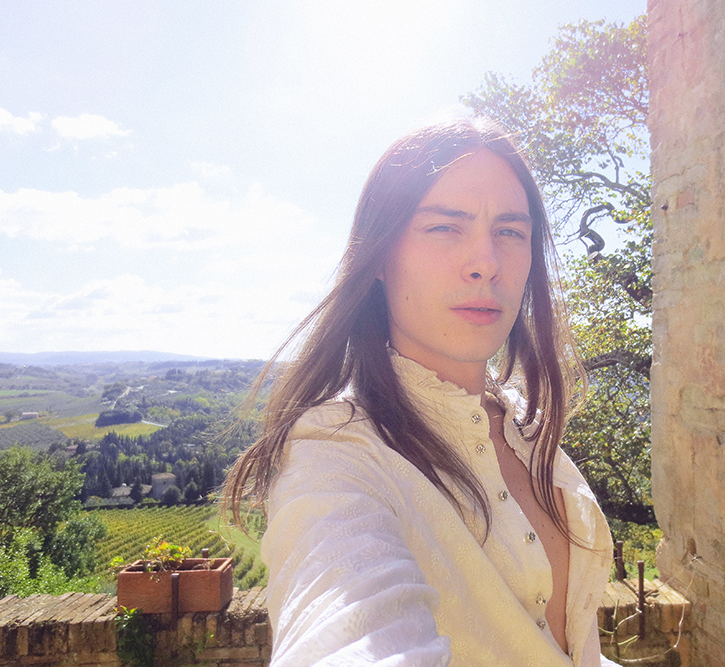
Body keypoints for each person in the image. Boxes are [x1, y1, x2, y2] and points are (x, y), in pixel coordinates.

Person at [222, 117, 616, 666]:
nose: (486, 264)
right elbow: (345, 625)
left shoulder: (525, 425)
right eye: (444, 227)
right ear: (381, 256)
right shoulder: (337, 453)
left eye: (510, 232)